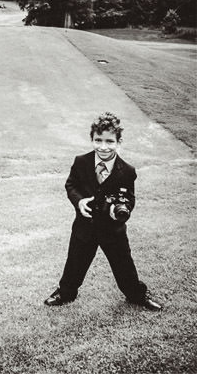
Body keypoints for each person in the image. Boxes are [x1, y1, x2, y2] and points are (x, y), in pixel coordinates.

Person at [44, 112, 163, 310]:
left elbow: (130, 198)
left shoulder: (127, 170)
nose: (103, 146)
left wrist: (121, 210)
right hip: (85, 227)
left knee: (124, 265)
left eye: (110, 141)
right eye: (98, 140)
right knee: (74, 263)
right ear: (92, 139)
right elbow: (71, 185)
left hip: (113, 229)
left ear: (119, 142)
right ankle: (65, 293)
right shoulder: (81, 161)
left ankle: (136, 295)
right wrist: (79, 201)